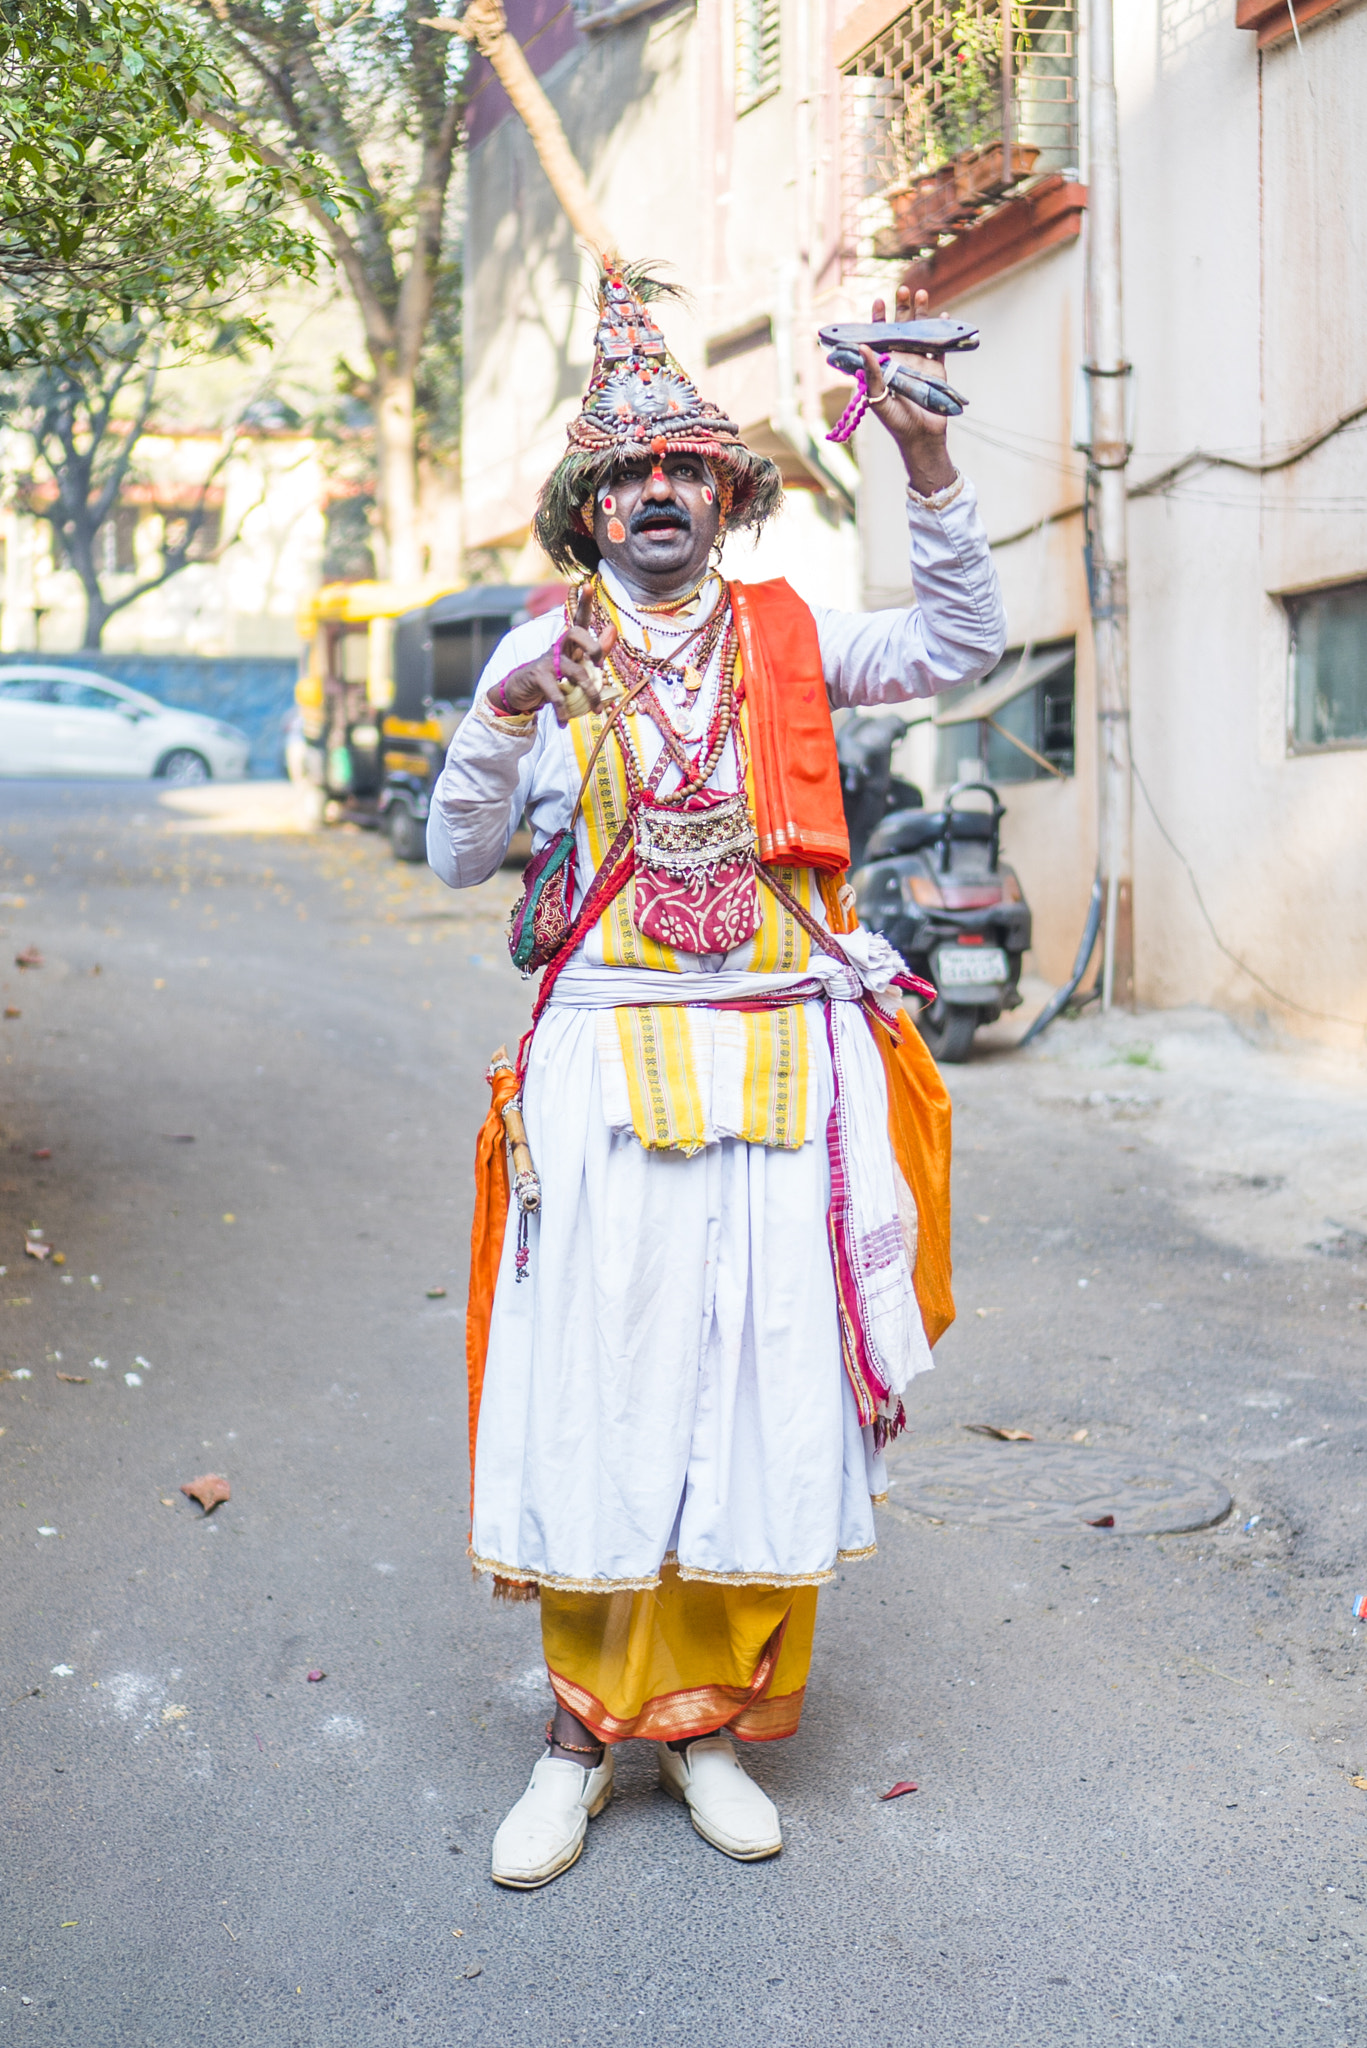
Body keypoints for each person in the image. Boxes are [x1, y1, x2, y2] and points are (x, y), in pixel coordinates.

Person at [427, 264, 1006, 1889]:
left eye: (686, 469)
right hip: (604, 1075)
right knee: (603, 1393)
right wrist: (498, 711)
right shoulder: (541, 664)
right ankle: (573, 1740)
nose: (658, 493)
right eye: (627, 474)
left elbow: (964, 637)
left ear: (726, 495)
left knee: (754, 1394)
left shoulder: (792, 641)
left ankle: (701, 1731)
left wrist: (931, 469)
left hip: (780, 1075)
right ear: (587, 508)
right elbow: (460, 851)